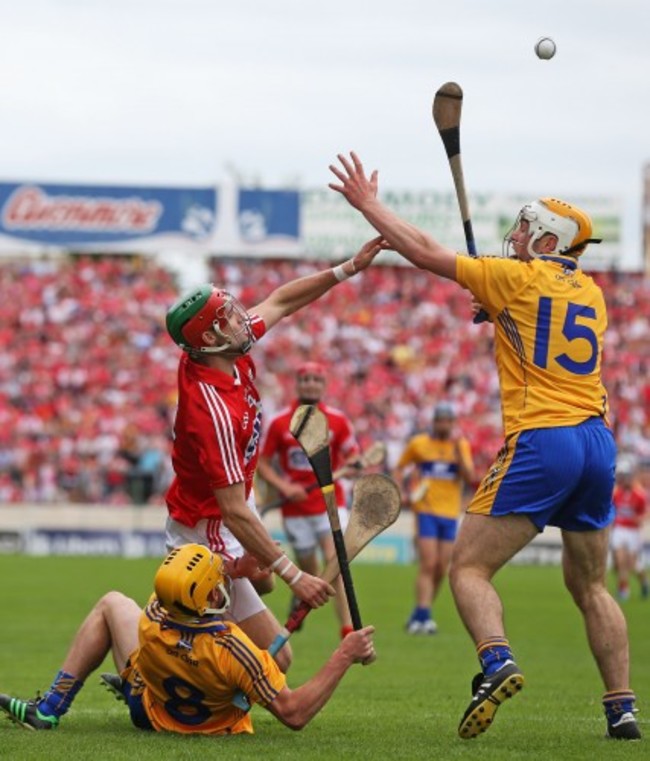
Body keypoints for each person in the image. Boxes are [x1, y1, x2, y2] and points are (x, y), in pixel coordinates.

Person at [329, 151, 640, 741]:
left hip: (543, 440)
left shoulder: (515, 277)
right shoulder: (593, 294)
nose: (516, 235)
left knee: (468, 567)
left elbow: (422, 250)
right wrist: (498, 313)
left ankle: (496, 661)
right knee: (590, 585)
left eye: (526, 227)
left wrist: (369, 206)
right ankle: (621, 707)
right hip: (598, 443)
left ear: (548, 240)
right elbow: (538, 322)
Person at [163, 236, 383, 672]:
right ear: (208, 337)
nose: (243, 319)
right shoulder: (212, 409)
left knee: (261, 582)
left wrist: (348, 268)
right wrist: (295, 575)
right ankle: (151, 662)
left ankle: (176, 620)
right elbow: (231, 511)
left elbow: (282, 300)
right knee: (277, 659)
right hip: (207, 528)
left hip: (236, 505)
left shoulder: (225, 353)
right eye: (229, 318)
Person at [0, 544, 376, 733]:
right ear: (215, 597)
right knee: (273, 667)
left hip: (147, 709)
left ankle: (50, 708)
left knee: (113, 603)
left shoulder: (153, 617)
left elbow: (186, 592)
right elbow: (293, 713)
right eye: (219, 577)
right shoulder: (235, 648)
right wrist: (344, 653)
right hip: (212, 723)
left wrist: (233, 569)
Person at [257, 360, 362, 639]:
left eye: (316, 380)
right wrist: (283, 486)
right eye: (306, 380)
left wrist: (353, 464)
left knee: (335, 562)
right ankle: (300, 600)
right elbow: (263, 463)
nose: (311, 385)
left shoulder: (338, 421)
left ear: (324, 385)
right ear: (297, 384)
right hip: (295, 509)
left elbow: (354, 456)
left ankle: (348, 629)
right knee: (311, 571)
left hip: (329, 503)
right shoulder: (280, 422)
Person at [393, 401, 475, 635]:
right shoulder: (419, 444)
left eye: (447, 421)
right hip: (426, 510)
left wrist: (459, 456)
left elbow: (470, 477)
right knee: (428, 563)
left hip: (450, 513)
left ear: (453, 423)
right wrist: (402, 491)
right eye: (440, 420)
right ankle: (423, 615)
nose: (443, 425)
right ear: (434, 422)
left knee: (441, 567)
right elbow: (400, 468)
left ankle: (420, 612)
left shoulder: (461, 446)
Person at [611, 455, 648, 601]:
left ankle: (644, 581)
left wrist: (639, 519)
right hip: (619, 529)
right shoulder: (616, 493)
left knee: (632, 564)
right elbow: (612, 509)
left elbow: (645, 512)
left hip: (633, 531)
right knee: (619, 561)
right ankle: (623, 590)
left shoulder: (638, 495)